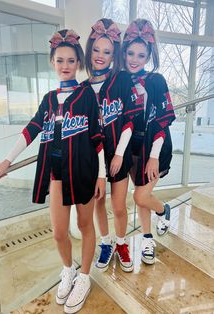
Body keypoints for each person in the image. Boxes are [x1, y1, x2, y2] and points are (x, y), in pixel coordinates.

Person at [0, 29, 106, 314]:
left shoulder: (87, 95)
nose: (65, 65)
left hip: (85, 170)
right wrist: (7, 160)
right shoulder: (49, 99)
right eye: (59, 60)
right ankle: (68, 270)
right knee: (58, 232)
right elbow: (31, 129)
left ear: (78, 63)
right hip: (56, 172)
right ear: (52, 62)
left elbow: (97, 138)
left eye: (70, 60)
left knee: (86, 225)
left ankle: (85, 277)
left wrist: (101, 175)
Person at [82, 18, 142, 273]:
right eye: (96, 49)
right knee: (98, 202)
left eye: (107, 52)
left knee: (118, 206)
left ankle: (121, 243)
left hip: (119, 154)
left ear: (113, 55)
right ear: (89, 50)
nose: (100, 56)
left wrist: (118, 154)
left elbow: (129, 120)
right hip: (94, 159)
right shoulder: (82, 88)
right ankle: (105, 243)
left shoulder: (122, 80)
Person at [122, 19, 176, 265]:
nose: (134, 59)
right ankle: (147, 237)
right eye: (131, 53)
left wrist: (154, 155)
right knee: (140, 194)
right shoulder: (121, 81)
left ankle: (163, 210)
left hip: (155, 147)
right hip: (132, 149)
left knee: (141, 196)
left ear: (148, 57)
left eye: (141, 55)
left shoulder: (156, 80)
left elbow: (163, 120)